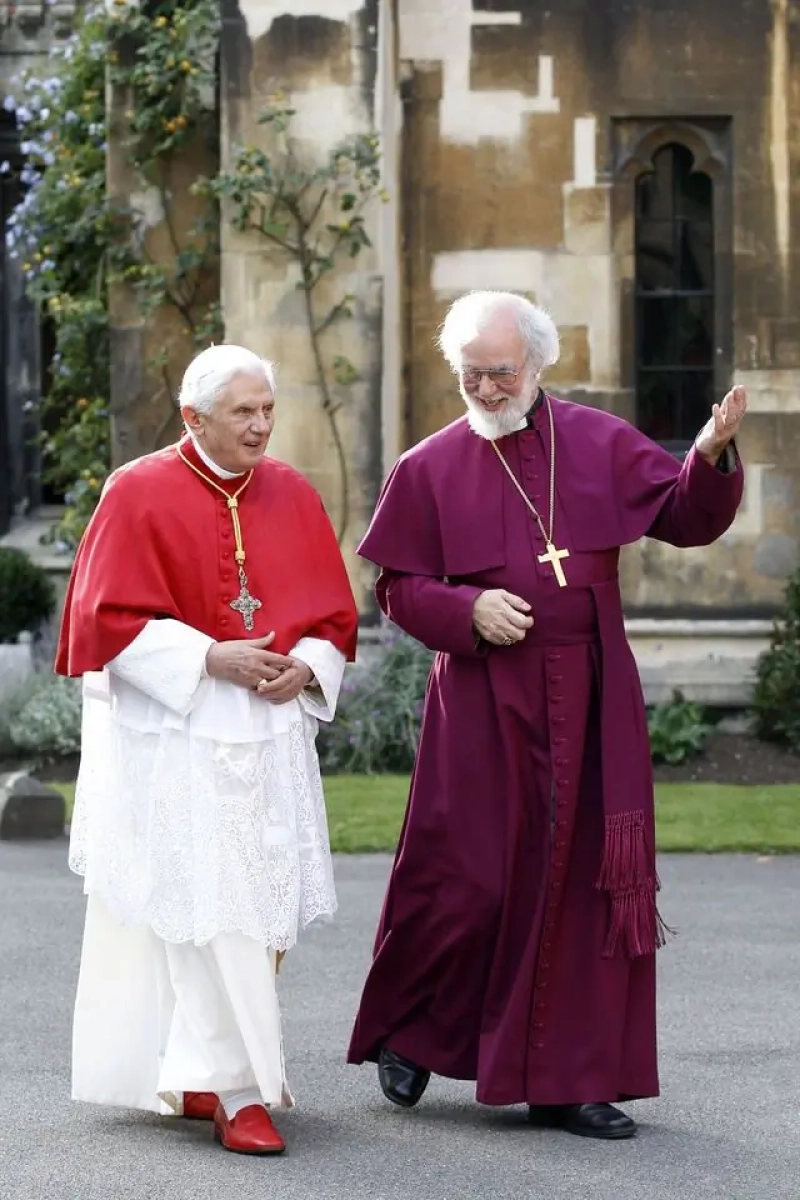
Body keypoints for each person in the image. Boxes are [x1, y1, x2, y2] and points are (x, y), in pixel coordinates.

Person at [347, 290, 746, 1140]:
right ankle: (414, 1031)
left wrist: (710, 453)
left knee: (586, 887)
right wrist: (467, 614)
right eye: (471, 375)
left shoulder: (597, 441)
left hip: (593, 693)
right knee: (470, 878)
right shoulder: (427, 466)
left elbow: (682, 516)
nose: (487, 390)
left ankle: (577, 1079)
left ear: (537, 365)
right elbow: (397, 588)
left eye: (500, 372)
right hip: (484, 702)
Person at [56, 344, 358, 1155]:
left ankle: (199, 1069)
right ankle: (239, 1091)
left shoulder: (291, 491)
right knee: (207, 907)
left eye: (267, 410)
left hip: (271, 735)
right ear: (193, 418)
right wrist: (207, 656)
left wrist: (310, 665)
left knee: (265, 907)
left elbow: (331, 619)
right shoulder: (137, 490)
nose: (262, 426)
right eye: (243, 414)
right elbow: (104, 625)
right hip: (180, 737)